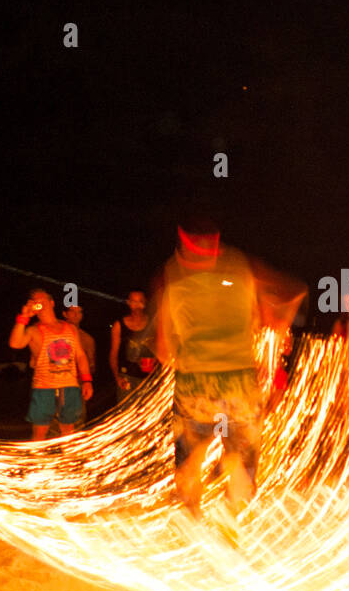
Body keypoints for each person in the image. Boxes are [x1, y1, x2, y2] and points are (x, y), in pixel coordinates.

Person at [154, 217, 306, 518]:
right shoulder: (240, 265)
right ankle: (231, 517)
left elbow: (162, 350)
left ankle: (193, 520)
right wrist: (272, 346)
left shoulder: (173, 274)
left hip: (194, 384)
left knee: (190, 457)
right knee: (240, 453)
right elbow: (293, 292)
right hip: (239, 382)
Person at [9, 288, 93, 441]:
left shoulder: (70, 328)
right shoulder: (33, 330)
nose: (39, 301)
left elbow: (80, 355)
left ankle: (67, 461)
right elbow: (15, 343)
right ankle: (37, 462)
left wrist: (87, 380)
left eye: (43, 299)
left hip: (69, 386)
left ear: (52, 302)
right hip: (44, 388)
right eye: (35, 300)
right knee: (40, 432)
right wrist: (24, 316)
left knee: (68, 431)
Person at [110, 290, 154, 400]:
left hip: (148, 378)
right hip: (127, 377)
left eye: (140, 301)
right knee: (126, 411)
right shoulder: (119, 325)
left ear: (145, 303)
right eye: (134, 302)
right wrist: (117, 378)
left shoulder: (153, 324)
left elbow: (161, 349)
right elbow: (113, 354)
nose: (137, 305)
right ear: (129, 303)